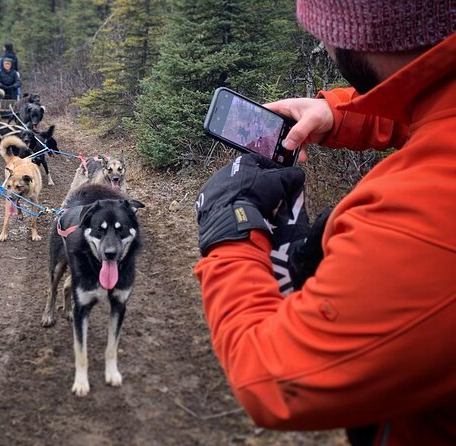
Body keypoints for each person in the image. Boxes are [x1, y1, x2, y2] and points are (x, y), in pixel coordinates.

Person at [194, 1, 456, 445]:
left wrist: (231, 227)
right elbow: (435, 102)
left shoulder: (423, 220)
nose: (322, 43)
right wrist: (339, 113)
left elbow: (273, 379)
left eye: (326, 31)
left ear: (369, 34)